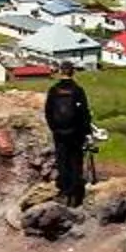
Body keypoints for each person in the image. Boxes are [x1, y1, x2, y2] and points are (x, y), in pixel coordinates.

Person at [43, 65, 94, 207]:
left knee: (62, 162)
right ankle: (75, 194)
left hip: (59, 132)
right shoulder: (78, 91)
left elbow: (48, 112)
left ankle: (64, 192)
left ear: (60, 73)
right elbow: (84, 113)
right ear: (73, 73)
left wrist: (54, 128)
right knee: (75, 162)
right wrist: (86, 133)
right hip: (76, 133)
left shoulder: (54, 90)